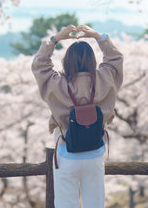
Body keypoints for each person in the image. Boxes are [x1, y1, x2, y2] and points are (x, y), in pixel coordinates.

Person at [31, 24, 123, 208]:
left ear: (67, 61)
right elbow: (116, 58)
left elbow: (40, 64)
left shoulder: (56, 84)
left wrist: (55, 39)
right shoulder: (105, 78)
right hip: (95, 154)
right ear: (92, 60)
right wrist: (98, 37)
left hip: (66, 154)